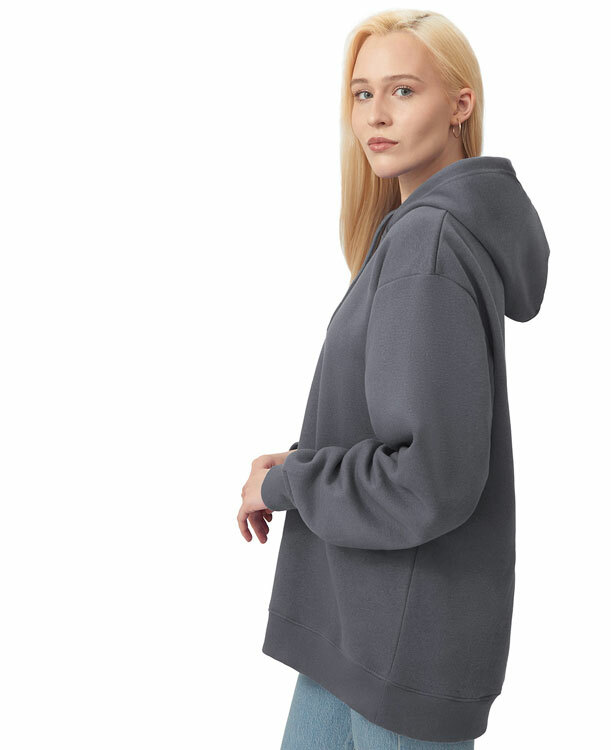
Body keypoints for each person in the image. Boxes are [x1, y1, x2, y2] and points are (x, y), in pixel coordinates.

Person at [238, 9, 551, 748]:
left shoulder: (427, 246)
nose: (376, 116)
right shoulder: (426, 234)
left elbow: (429, 481)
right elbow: (400, 432)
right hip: (359, 629)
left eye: (403, 90)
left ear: (460, 105)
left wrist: (291, 485)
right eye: (362, 93)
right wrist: (303, 461)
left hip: (401, 651)